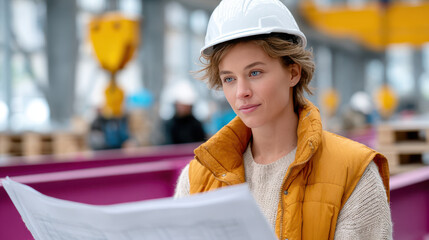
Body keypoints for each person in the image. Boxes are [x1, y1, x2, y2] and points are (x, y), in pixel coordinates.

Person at [174, 0, 392, 239]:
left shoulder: (353, 173)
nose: (241, 92)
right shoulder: (197, 178)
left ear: (293, 72)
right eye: (229, 79)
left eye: (254, 73)